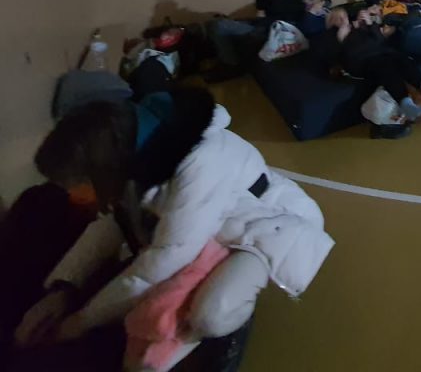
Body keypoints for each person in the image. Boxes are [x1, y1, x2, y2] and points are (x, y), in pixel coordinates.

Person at [12, 90, 332, 366]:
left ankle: (237, 307)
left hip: (264, 225)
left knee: (212, 314)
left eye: (76, 185)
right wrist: (62, 290)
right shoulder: (133, 146)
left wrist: (81, 322)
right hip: (211, 223)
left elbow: (165, 259)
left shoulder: (201, 163)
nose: (73, 196)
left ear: (99, 168)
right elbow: (114, 224)